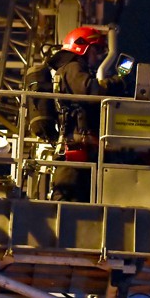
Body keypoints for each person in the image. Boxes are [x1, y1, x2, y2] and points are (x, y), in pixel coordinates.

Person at [47, 26, 125, 201]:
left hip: (80, 151)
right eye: (96, 49)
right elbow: (91, 92)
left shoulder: (70, 69)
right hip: (77, 151)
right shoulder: (73, 68)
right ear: (83, 47)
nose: (98, 56)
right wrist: (116, 83)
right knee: (68, 201)